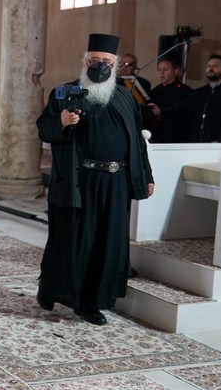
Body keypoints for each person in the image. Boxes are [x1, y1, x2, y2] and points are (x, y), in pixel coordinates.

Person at [36, 33, 154, 326]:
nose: (100, 66)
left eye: (106, 62)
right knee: (75, 242)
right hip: (80, 181)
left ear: (114, 66)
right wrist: (62, 122)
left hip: (116, 182)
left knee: (107, 243)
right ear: (85, 62)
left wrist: (146, 176)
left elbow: (137, 142)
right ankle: (52, 289)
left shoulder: (125, 97)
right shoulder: (64, 92)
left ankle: (91, 302)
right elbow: (43, 127)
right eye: (95, 60)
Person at [153, 54, 221, 143]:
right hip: (199, 141)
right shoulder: (200, 92)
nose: (210, 68)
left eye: (215, 66)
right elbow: (181, 107)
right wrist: (161, 111)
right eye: (209, 66)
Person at [144, 55, 192, 142]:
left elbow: (182, 114)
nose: (162, 73)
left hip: (175, 138)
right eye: (159, 70)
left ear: (175, 71)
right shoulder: (155, 91)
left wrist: (161, 112)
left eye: (166, 70)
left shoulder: (184, 91)